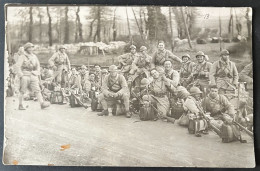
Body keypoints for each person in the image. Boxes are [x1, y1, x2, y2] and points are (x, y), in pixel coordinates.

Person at [15, 42, 50, 110]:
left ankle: (42, 103)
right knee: (22, 90)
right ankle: (20, 104)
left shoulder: (34, 56)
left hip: (33, 75)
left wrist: (36, 72)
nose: (31, 49)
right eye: (29, 48)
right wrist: (21, 75)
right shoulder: (22, 56)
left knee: (37, 90)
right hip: (25, 75)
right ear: (26, 49)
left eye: (32, 47)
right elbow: (18, 66)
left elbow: (38, 66)